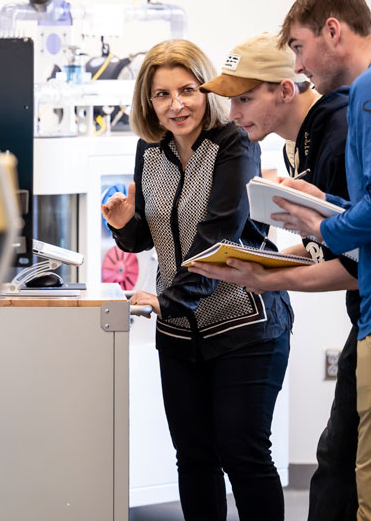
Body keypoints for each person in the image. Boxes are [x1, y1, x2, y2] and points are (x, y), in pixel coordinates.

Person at [102, 39, 294, 520]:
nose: (176, 105)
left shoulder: (234, 143)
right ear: (149, 101)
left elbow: (218, 234)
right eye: (162, 94)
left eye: (187, 90)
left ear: (206, 90)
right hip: (181, 335)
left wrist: (168, 300)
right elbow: (151, 235)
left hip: (243, 323)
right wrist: (125, 222)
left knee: (243, 456)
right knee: (194, 461)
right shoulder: (150, 149)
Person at [189, 32, 360, 520]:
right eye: (230, 99)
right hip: (367, 314)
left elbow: (359, 265)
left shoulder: (339, 133)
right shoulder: (297, 151)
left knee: (340, 464)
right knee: (338, 461)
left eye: (246, 98)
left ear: (286, 89)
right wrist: (261, 264)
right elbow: (321, 247)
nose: (235, 112)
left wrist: (268, 280)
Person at [264, 0, 371, 521]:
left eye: (299, 48)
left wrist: (327, 227)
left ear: (333, 30)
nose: (299, 67)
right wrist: (330, 202)